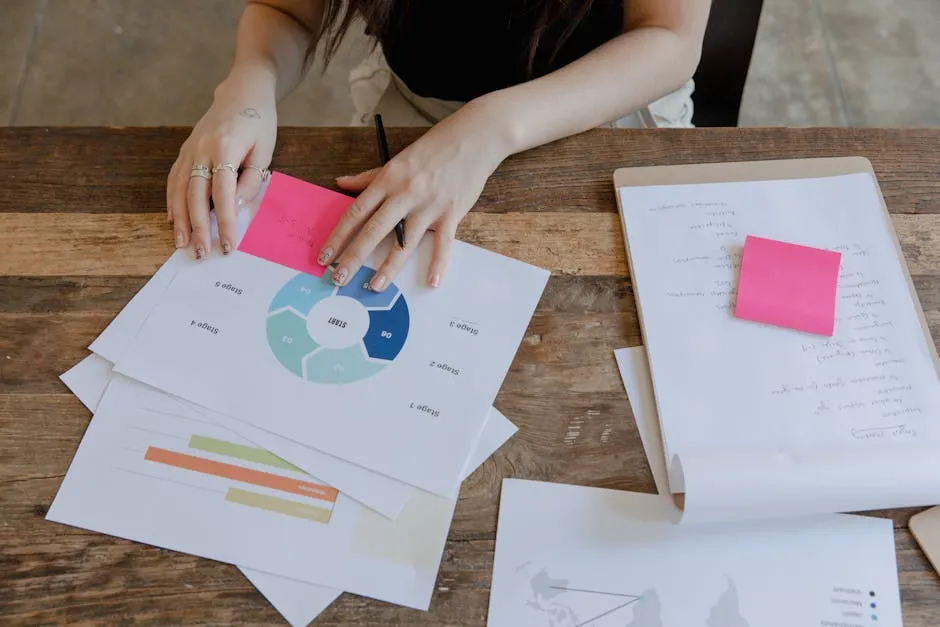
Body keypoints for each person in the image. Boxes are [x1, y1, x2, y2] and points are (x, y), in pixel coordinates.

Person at [168, 0, 710, 290]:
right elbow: (285, 11)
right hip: (416, 115)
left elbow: (669, 37)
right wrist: (249, 82)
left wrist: (488, 126)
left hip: (600, 111)